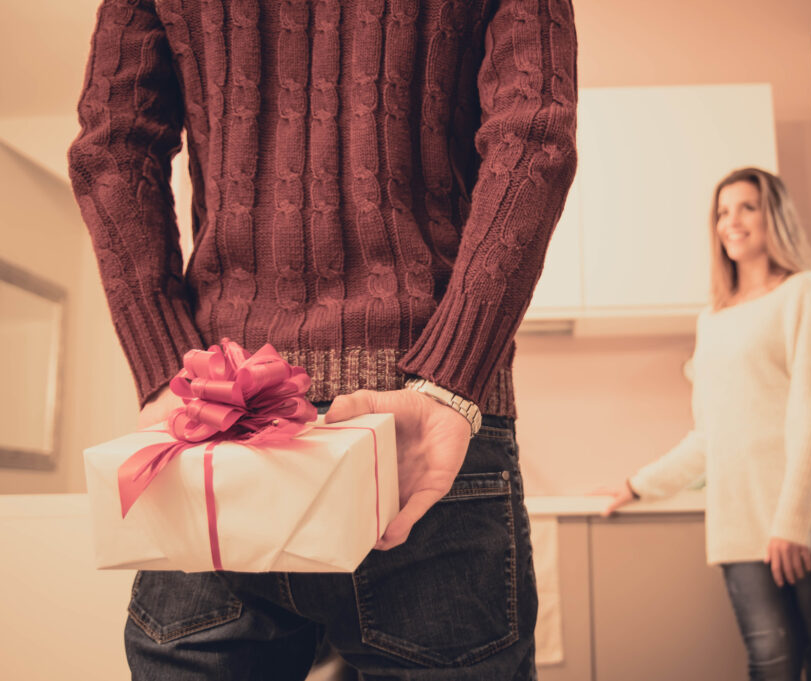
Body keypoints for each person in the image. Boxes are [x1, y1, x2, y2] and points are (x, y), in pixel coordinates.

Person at [68, 1, 577, 679]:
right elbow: (534, 135)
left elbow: (112, 142)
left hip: (226, 421)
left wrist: (169, 367)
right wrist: (452, 377)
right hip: (419, 429)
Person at [601, 167, 811, 681]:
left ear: (774, 215)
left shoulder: (802, 292)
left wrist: (793, 523)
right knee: (770, 663)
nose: (732, 221)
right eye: (723, 211)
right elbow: (709, 435)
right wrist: (636, 485)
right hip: (741, 519)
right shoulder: (712, 320)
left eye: (747, 206)